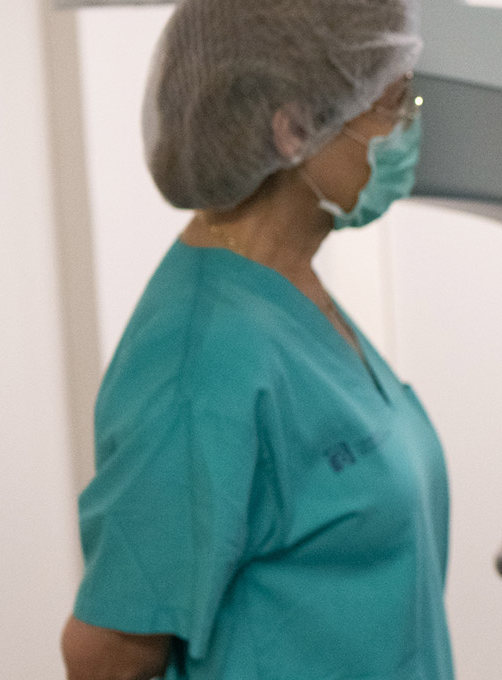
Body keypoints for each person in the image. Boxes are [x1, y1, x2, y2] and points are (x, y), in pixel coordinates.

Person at [60, 1, 450, 678]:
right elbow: (104, 657)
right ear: (295, 128)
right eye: (391, 105)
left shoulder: (290, 292)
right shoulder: (200, 363)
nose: (407, 129)